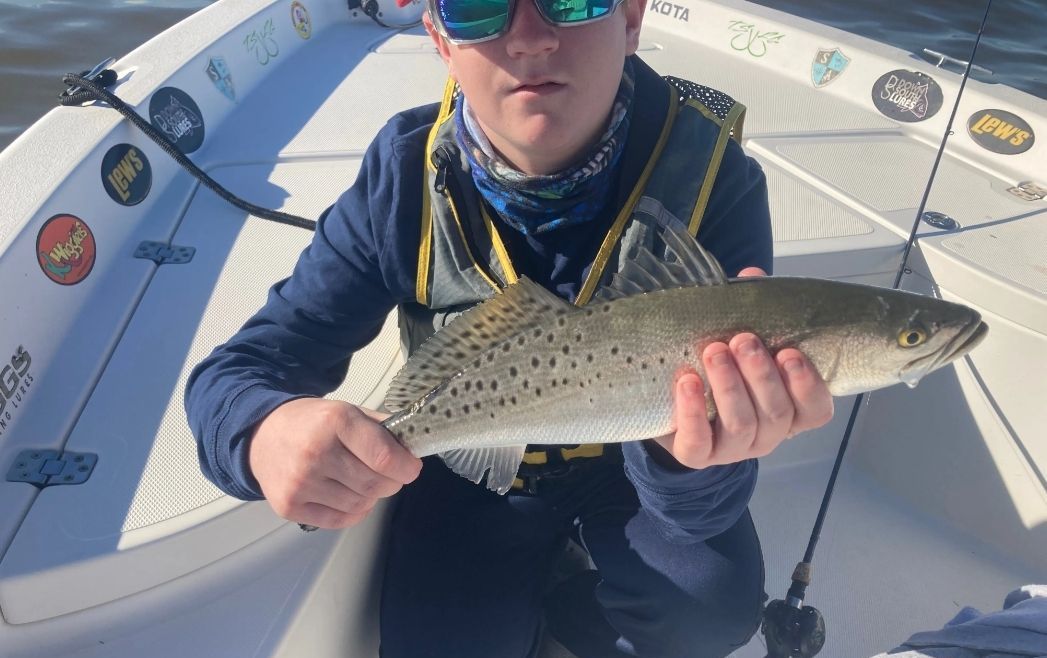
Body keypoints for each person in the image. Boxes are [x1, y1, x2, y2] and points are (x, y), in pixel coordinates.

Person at [185, 0, 835, 655]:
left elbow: (701, 512)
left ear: (632, 18)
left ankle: (568, 610)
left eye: (572, 0)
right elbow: (238, 373)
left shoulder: (714, 178)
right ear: (440, 40)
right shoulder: (403, 176)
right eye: (475, 6)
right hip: (469, 454)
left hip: (633, 464)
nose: (528, 38)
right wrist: (262, 432)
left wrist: (691, 462)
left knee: (707, 611)